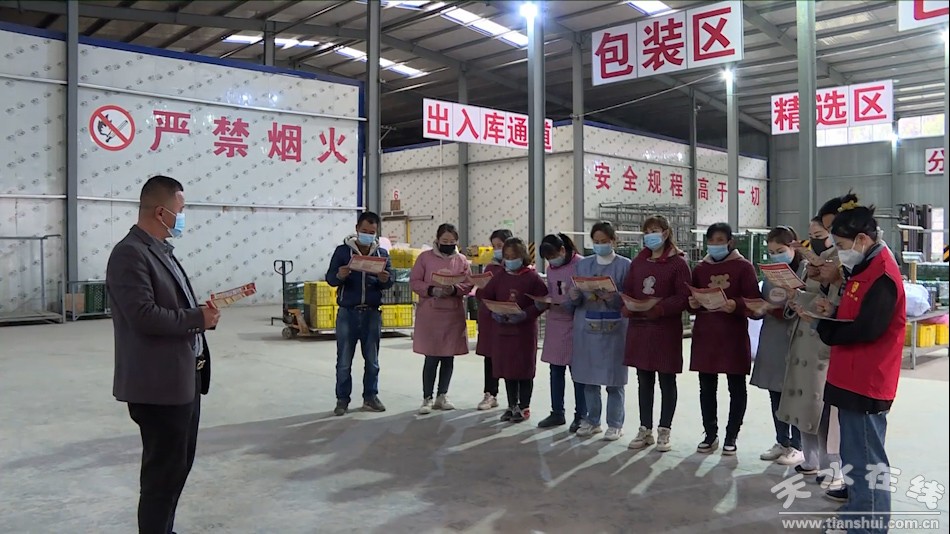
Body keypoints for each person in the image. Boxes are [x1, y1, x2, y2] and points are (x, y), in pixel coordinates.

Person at [107, 175, 220, 534]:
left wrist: (200, 316)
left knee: (177, 468)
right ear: (161, 212)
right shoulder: (130, 253)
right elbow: (143, 316)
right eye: (180, 210)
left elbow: (170, 307)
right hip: (157, 386)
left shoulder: (160, 250)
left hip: (183, 379)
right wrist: (196, 318)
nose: (182, 218)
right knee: (161, 476)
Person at [807, 204, 906, 532]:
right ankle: (856, 515)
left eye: (841, 245)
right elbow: (853, 314)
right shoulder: (863, 267)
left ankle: (870, 526)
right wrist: (830, 311)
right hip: (849, 376)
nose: (839, 253)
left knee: (866, 458)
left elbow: (868, 328)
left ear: (862, 239)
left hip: (867, 380)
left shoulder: (883, 274)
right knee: (853, 455)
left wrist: (824, 327)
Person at [782, 198, 851, 498]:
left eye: (825, 233)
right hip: (807, 333)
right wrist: (799, 293)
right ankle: (812, 460)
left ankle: (832, 468)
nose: (824, 238)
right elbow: (814, 293)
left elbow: (843, 302)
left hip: (825, 341)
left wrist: (825, 285)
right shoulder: (819, 261)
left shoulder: (847, 262)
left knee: (825, 410)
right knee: (805, 405)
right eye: (815, 234)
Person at [689, 222, 761, 455]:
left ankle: (732, 435)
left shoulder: (744, 267)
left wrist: (736, 305)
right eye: (711, 241)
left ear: (730, 242)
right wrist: (692, 303)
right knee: (706, 387)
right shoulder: (700, 269)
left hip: (733, 335)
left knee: (736, 386)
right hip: (706, 335)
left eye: (720, 240)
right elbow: (692, 299)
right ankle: (710, 434)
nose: (715, 245)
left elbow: (754, 301)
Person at [621, 215, 690, 452]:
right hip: (640, 328)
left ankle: (664, 430)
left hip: (665, 330)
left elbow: (683, 297)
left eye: (655, 230)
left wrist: (660, 309)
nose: (651, 234)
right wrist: (627, 306)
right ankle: (645, 428)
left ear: (666, 233)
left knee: (667, 380)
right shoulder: (638, 262)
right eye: (647, 230)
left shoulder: (678, 263)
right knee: (644, 379)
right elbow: (628, 289)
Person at [567, 222, 631, 441]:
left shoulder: (625, 266)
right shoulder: (583, 265)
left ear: (613, 241)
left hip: (614, 330)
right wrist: (574, 296)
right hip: (587, 328)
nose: (600, 245)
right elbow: (574, 298)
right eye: (596, 241)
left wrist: (613, 297)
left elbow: (629, 298)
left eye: (604, 241)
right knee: (589, 378)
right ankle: (592, 420)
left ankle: (615, 423)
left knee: (614, 380)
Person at [326, 211, 394, 416]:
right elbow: (330, 279)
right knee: (344, 361)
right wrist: (340, 275)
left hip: (372, 313)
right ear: (357, 229)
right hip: (347, 313)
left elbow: (390, 282)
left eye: (372, 232)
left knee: (372, 361)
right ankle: (342, 400)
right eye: (364, 231)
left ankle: (370, 397)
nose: (367, 235)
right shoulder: (342, 252)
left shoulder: (382, 254)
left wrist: (385, 280)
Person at [751, 226, 807, 466]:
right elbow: (764, 299)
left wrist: (781, 307)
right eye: (771, 252)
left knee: (796, 392)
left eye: (780, 250)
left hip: (797, 338)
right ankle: (782, 440)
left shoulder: (806, 271)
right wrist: (757, 308)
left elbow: (807, 304)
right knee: (776, 390)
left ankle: (799, 444)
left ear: (793, 246)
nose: (776, 256)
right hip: (773, 337)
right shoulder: (771, 274)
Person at [476, 237, 548, 423]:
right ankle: (511, 405)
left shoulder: (532, 277)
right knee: (508, 370)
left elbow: (543, 301)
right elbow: (485, 296)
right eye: (506, 256)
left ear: (522, 256)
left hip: (524, 332)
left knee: (524, 370)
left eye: (513, 256)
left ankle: (524, 406)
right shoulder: (499, 276)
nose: (509, 260)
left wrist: (526, 314)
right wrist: (493, 312)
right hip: (503, 332)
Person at [410, 223, 474, 414]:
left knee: (448, 356)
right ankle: (427, 397)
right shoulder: (425, 258)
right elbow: (414, 281)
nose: (448, 244)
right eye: (444, 240)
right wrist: (431, 289)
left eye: (452, 241)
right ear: (437, 240)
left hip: (452, 315)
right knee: (431, 357)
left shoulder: (462, 260)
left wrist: (454, 289)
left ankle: (442, 395)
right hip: (430, 315)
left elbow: (468, 283)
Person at [535, 233, 587, 432]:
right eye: (548, 258)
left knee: (578, 373)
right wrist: (543, 301)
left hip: (576, 323)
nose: (551, 261)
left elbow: (586, 293)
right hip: (556, 323)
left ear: (563, 250)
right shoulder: (551, 269)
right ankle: (557, 412)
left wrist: (574, 301)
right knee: (555, 370)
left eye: (553, 255)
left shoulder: (581, 264)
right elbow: (552, 291)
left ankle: (581, 415)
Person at [475, 229, 512, 410]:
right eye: (494, 246)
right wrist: (481, 287)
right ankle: (490, 393)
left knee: (510, 358)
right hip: (490, 318)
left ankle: (515, 400)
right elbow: (481, 295)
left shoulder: (519, 269)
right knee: (490, 357)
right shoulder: (490, 268)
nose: (497, 250)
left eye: (500, 245)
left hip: (510, 319)